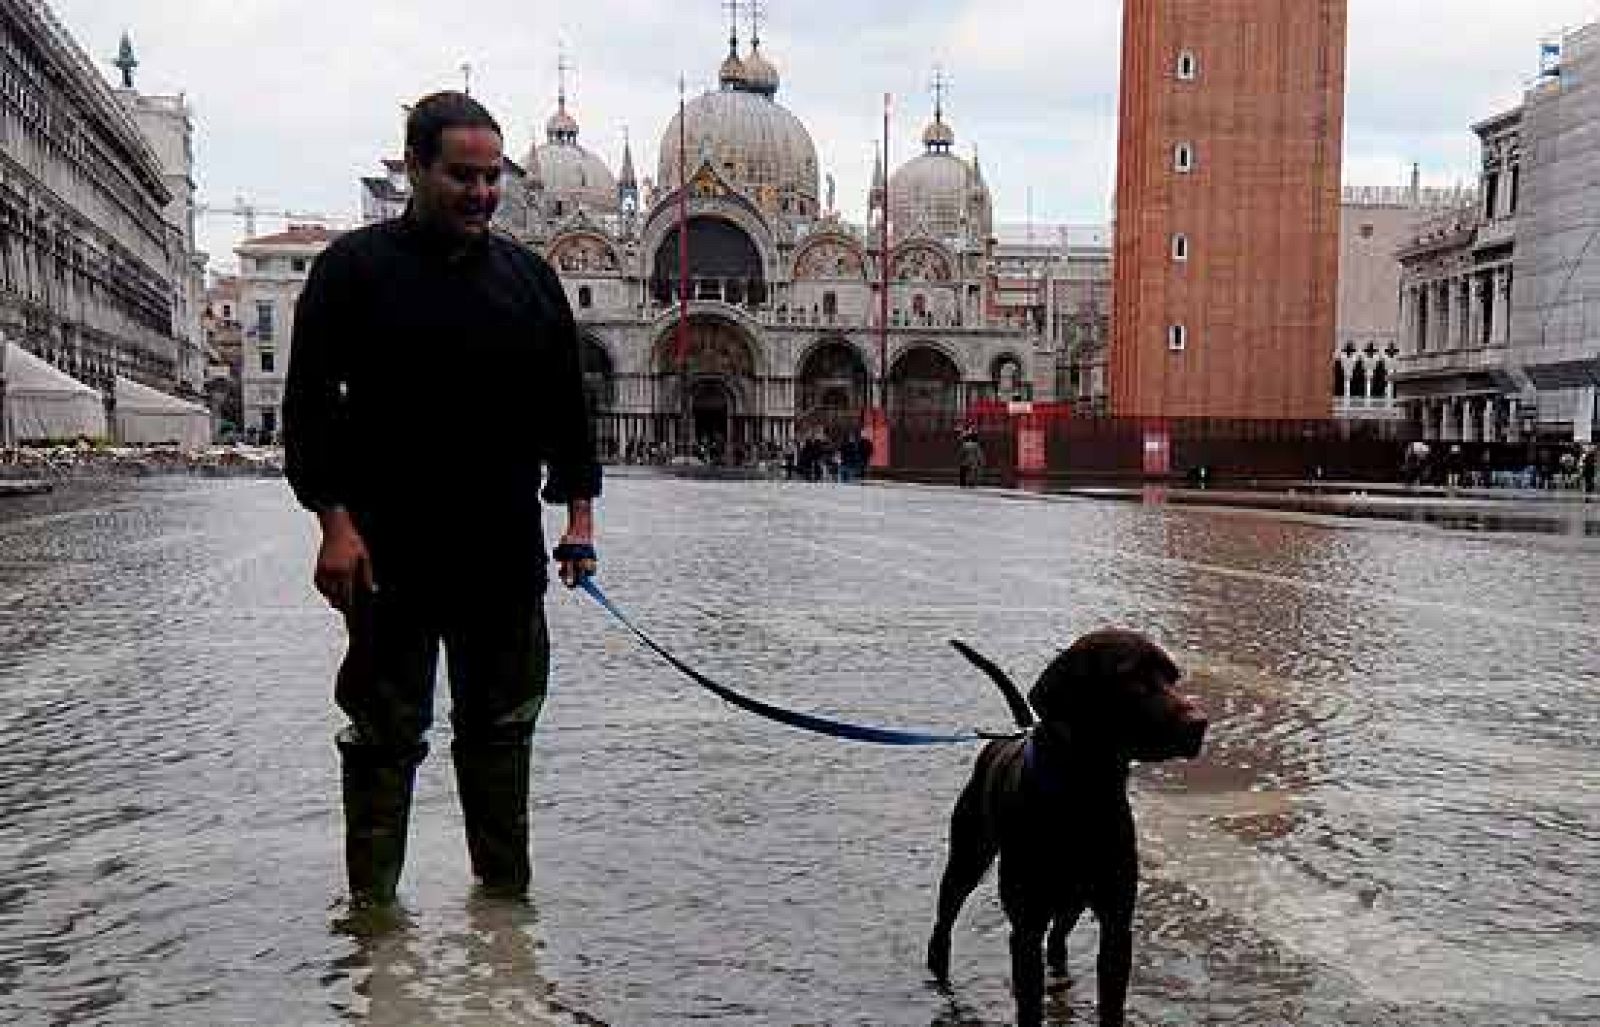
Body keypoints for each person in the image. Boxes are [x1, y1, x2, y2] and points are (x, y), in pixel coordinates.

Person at [282, 92, 601, 915]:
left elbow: (566, 408)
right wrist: (334, 525)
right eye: (463, 175)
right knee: (384, 737)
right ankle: (373, 925)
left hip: (501, 555)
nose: (481, 192)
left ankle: (503, 920)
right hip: (387, 555)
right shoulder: (350, 271)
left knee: (502, 733)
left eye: (492, 177)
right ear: (415, 168)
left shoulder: (529, 280)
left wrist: (578, 524)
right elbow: (310, 405)